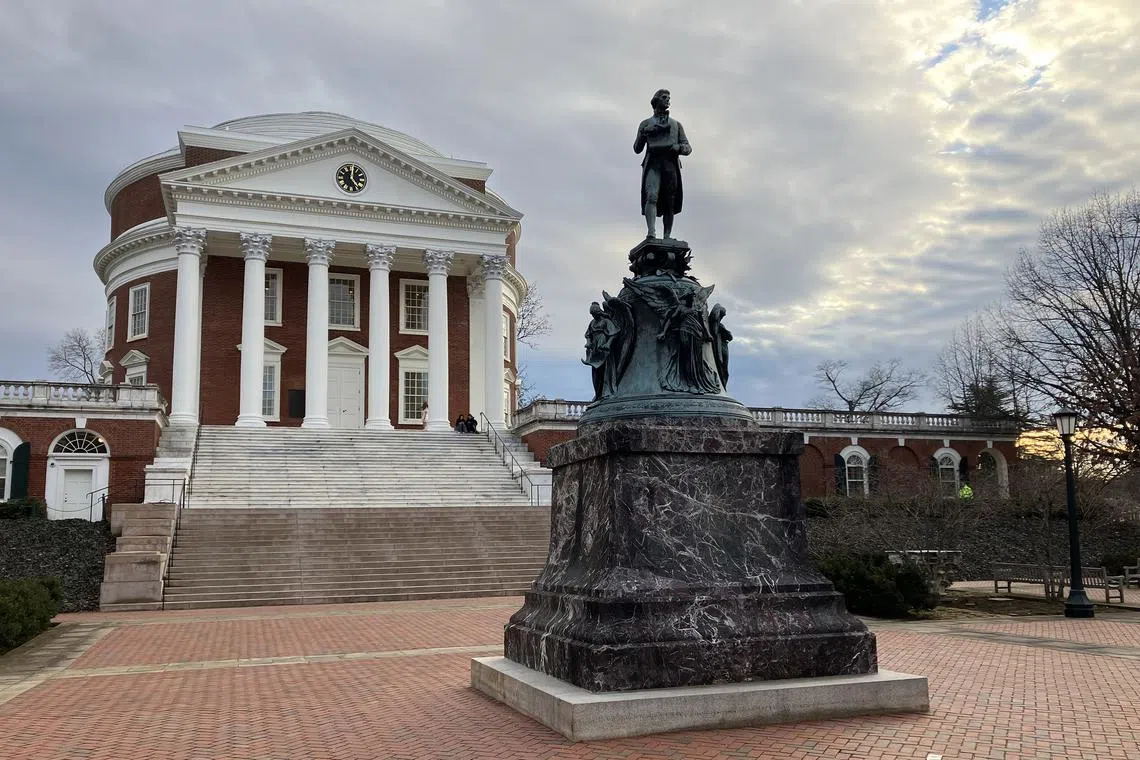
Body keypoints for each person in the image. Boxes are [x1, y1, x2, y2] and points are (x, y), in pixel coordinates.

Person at [634, 88, 691, 240]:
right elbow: (637, 148)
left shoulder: (676, 124)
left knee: (669, 202)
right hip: (653, 163)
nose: (667, 100)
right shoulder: (645, 123)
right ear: (656, 100)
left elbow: (687, 147)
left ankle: (667, 236)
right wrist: (645, 132)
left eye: (668, 98)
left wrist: (678, 148)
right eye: (664, 97)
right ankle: (651, 232)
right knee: (651, 196)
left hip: (670, 164)